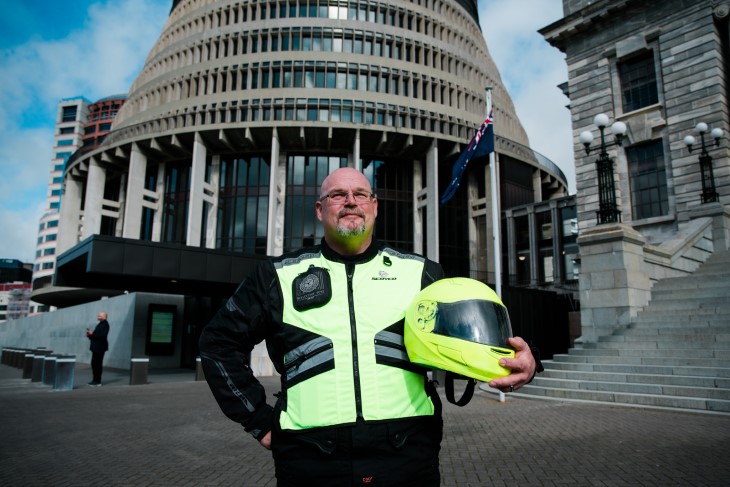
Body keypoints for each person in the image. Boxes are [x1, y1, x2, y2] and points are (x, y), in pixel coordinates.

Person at [199, 167, 538, 486]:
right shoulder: (277, 276)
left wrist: (520, 365)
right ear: (320, 210)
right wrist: (258, 420)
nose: (350, 201)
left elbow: (472, 339)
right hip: (310, 459)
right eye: (338, 195)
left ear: (374, 207)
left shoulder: (421, 274)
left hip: (406, 453)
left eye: (360, 194)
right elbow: (217, 343)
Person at [86, 311, 110, 386]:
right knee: (94, 364)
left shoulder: (105, 324)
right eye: (98, 315)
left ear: (105, 316)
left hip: (100, 348)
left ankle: (97, 381)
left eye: (100, 316)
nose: (98, 316)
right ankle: (95, 380)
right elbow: (97, 335)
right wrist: (90, 335)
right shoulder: (100, 324)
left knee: (97, 364)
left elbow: (102, 336)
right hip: (96, 347)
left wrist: (92, 333)